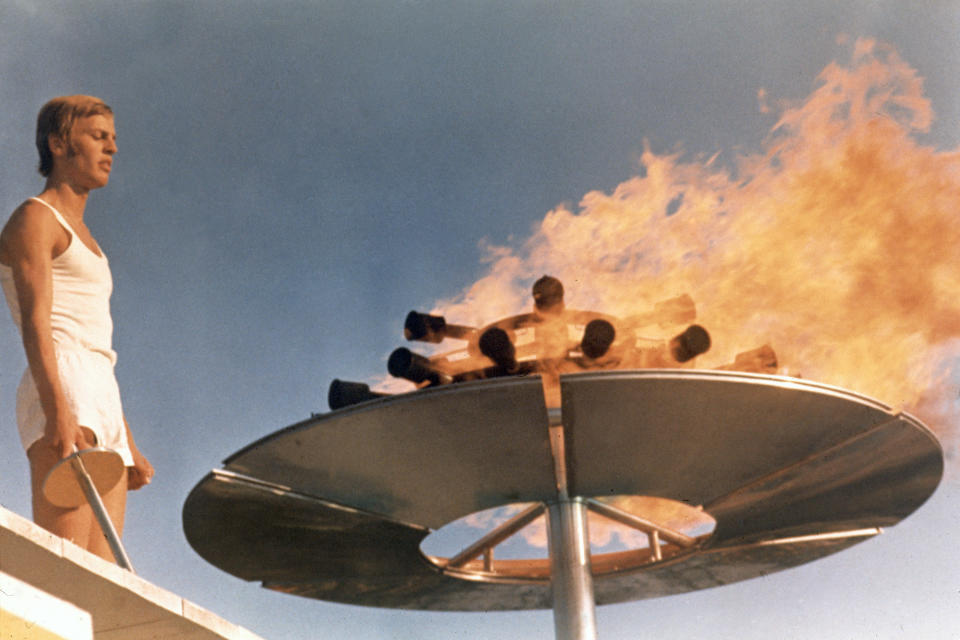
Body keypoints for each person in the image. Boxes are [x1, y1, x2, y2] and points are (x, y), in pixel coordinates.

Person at [0, 95, 153, 563]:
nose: (112, 149)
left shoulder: (92, 243)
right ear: (59, 143)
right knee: (69, 567)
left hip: (99, 388)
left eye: (114, 139)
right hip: (61, 382)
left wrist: (125, 436)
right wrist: (58, 410)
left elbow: (97, 345)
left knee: (109, 578)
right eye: (98, 136)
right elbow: (37, 325)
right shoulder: (35, 218)